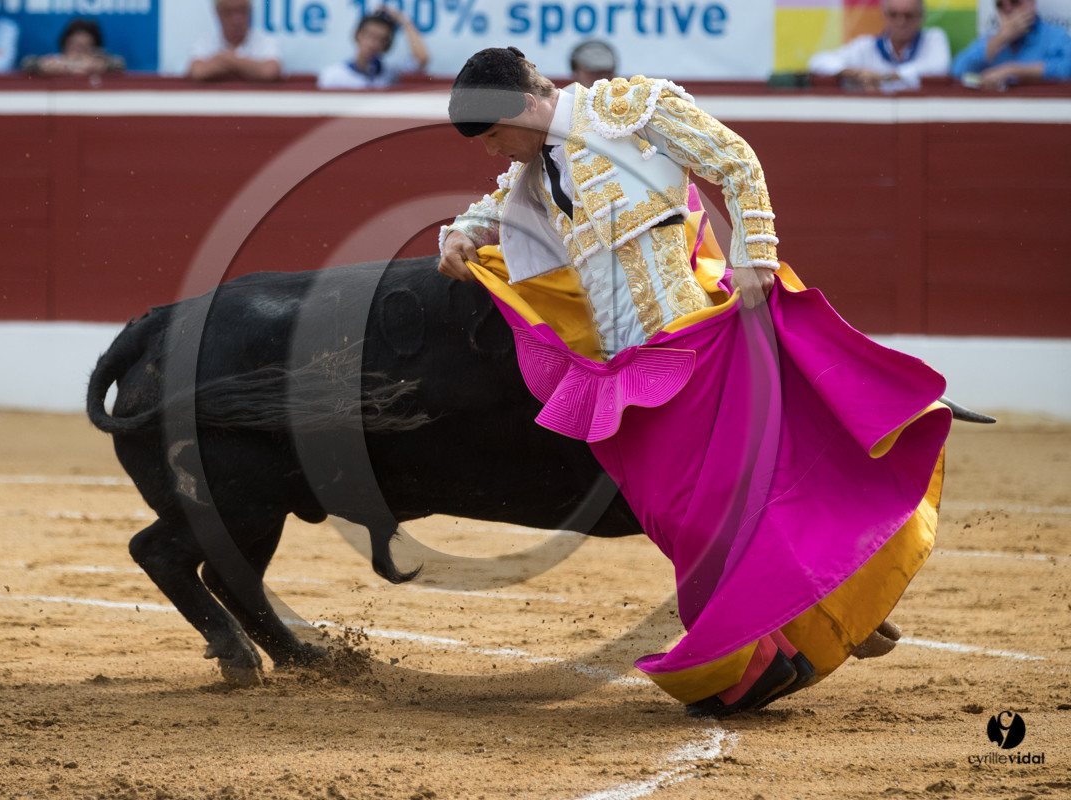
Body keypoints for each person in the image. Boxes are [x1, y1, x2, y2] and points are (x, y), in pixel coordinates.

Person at [439, 47, 951, 717]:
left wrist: (754, 257)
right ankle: (816, 620)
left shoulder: (627, 111)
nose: (493, 154)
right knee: (677, 516)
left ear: (525, 109)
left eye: (494, 137)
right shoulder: (536, 172)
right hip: (630, 370)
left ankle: (770, 651)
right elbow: (494, 206)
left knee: (719, 507)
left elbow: (733, 159)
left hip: (693, 343)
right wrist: (461, 231)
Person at [807, 0, 950, 92]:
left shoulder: (933, 39)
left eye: (908, 15)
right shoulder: (866, 46)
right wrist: (852, 72)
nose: (901, 21)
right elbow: (817, 61)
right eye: (894, 15)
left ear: (921, 16)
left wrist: (882, 77)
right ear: (884, 16)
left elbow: (938, 67)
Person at [951, 0, 1071, 90]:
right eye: (1000, 5)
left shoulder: (1055, 36)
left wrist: (1012, 71)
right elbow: (958, 70)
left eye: (1014, 1)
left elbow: (1066, 69)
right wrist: (1002, 37)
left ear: (1032, 3)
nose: (1008, 9)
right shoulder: (992, 40)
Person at [316, 7, 428, 90]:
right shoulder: (333, 76)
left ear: (387, 45)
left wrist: (404, 21)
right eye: (369, 35)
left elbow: (421, 59)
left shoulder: (390, 73)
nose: (373, 43)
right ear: (357, 35)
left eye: (381, 39)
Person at [187, 0, 281, 82]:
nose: (236, 20)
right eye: (229, 12)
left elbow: (270, 71)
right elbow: (197, 71)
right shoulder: (206, 43)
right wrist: (249, 67)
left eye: (241, 11)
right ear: (218, 13)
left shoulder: (264, 41)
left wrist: (224, 58)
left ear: (250, 12)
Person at [21, 18, 125, 76]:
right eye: (74, 45)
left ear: (95, 48)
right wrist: (42, 66)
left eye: (84, 47)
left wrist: (100, 65)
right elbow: (27, 63)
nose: (78, 51)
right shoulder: (54, 60)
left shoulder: (101, 61)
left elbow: (119, 64)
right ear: (64, 44)